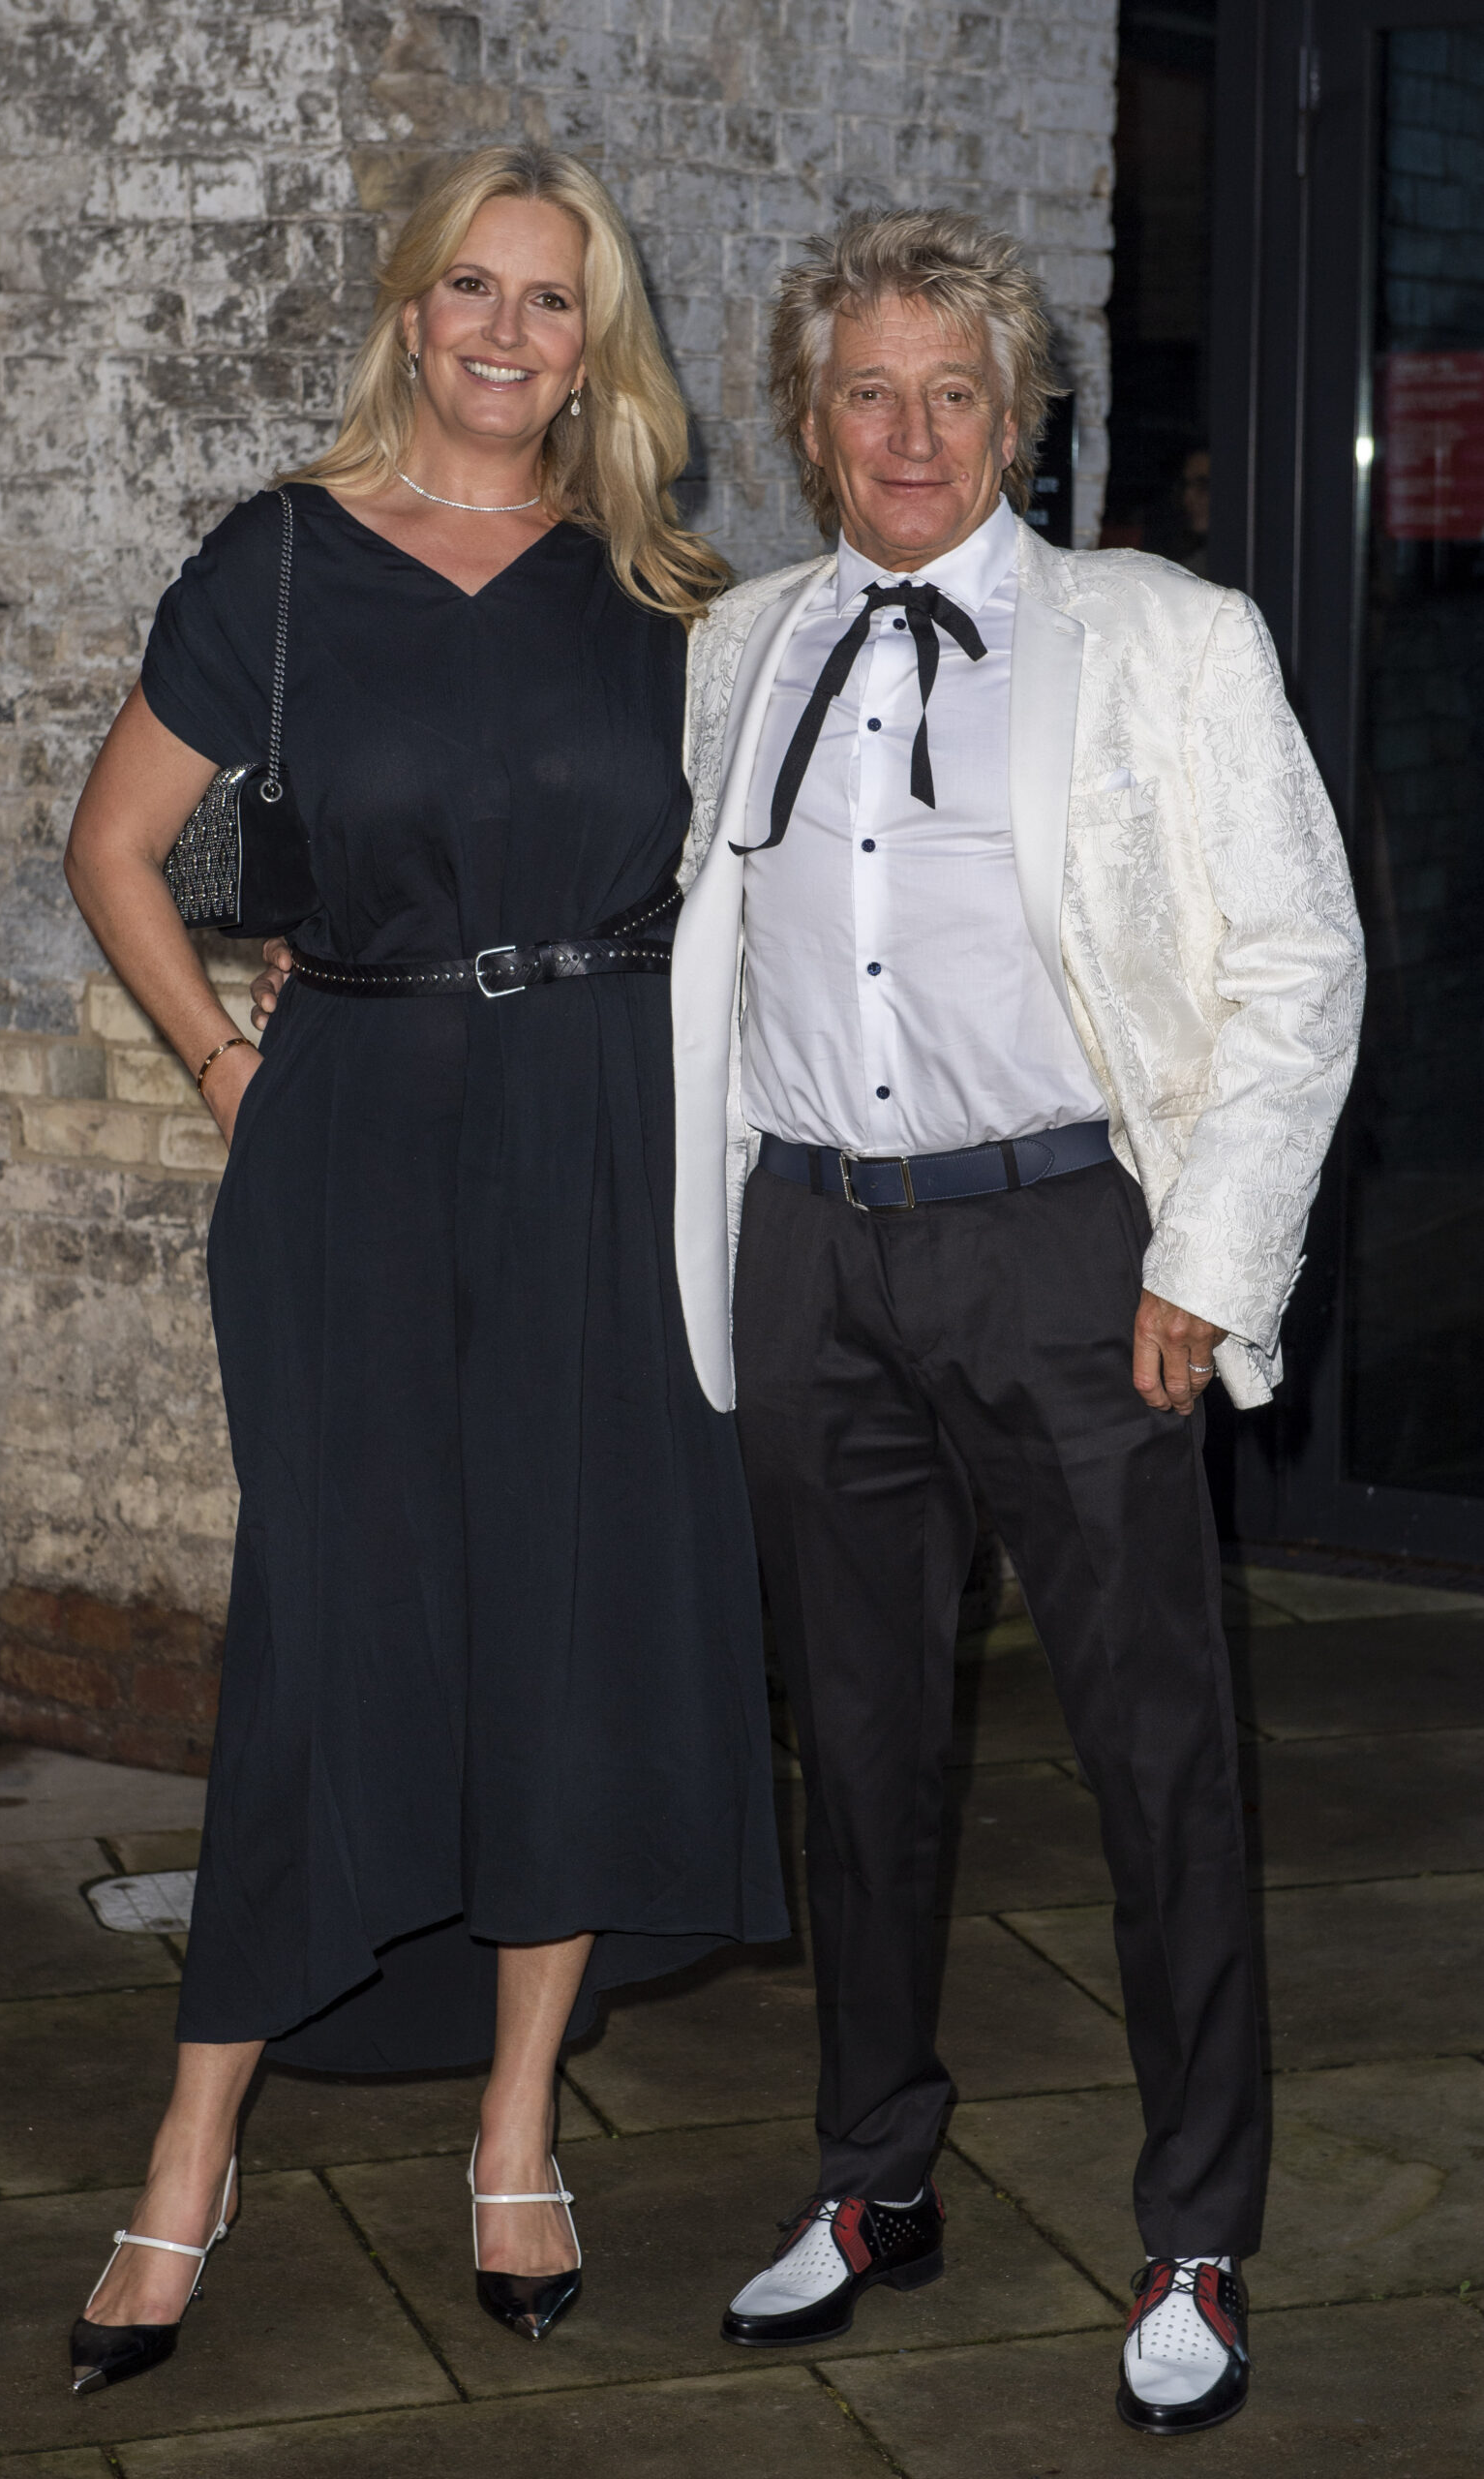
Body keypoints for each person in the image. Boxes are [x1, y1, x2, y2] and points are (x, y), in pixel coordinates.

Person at [59, 143, 786, 2393]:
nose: (502, 331)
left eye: (549, 300)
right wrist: (220, 1064)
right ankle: (197, 2136)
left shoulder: (673, 590)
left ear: (600, 342)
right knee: (326, 1623)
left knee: (561, 1611)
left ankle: (511, 2117)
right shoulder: (273, 560)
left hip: (599, 1130)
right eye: (468, 286)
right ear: (406, 309)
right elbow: (113, 843)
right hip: (351, 1136)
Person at [668, 211, 1364, 2434]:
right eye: (866, 391)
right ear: (806, 420)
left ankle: (1192, 2226)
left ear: (1014, 414)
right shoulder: (743, 647)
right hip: (815, 1257)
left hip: (1074, 1255)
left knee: (1158, 1755)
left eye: (951, 392)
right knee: (856, 1761)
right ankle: (872, 2176)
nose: (907, 431)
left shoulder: (1157, 636)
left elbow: (1296, 966)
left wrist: (1206, 1256)